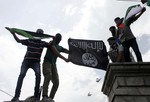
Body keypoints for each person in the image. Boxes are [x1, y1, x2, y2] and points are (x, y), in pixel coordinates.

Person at [7, 28, 69, 101]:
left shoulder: (43, 43)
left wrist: (53, 39)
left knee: (41, 77)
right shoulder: (30, 40)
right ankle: (17, 96)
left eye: (40, 34)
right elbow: (19, 41)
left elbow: (57, 47)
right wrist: (14, 34)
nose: (39, 35)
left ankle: (42, 97)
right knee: (22, 75)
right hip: (28, 61)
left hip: (37, 62)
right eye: (38, 34)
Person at [41, 33, 69, 102]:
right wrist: (65, 59)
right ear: (55, 38)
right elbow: (56, 52)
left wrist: (75, 51)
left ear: (60, 40)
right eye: (57, 38)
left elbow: (67, 51)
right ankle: (44, 96)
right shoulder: (51, 43)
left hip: (53, 65)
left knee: (56, 82)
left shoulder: (60, 47)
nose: (58, 40)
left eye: (59, 39)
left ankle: (50, 98)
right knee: (48, 75)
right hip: (47, 62)